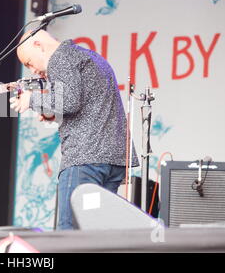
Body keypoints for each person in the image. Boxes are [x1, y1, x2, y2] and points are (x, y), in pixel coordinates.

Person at [10, 29, 138, 230]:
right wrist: (51, 112)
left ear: (38, 45)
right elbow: (85, 103)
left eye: (28, 62)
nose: (32, 70)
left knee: (69, 233)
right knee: (95, 233)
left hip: (85, 160)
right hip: (113, 159)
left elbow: (69, 101)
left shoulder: (59, 57)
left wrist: (31, 99)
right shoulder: (87, 56)